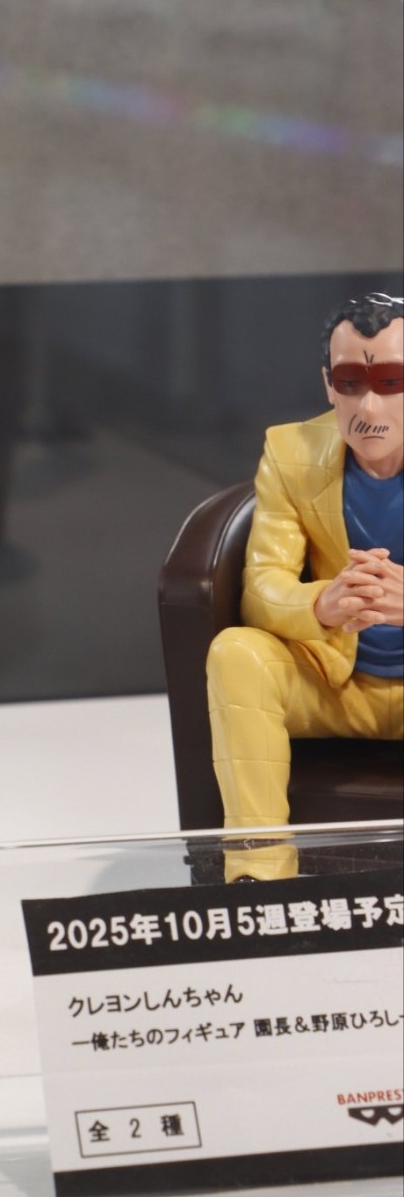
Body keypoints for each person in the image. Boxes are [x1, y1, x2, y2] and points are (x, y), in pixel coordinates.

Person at [206, 293, 403, 881]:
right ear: (327, 385)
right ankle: (258, 881)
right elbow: (262, 586)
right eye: (350, 382)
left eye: (391, 381)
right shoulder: (290, 452)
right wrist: (321, 602)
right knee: (237, 653)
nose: (369, 406)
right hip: (335, 681)